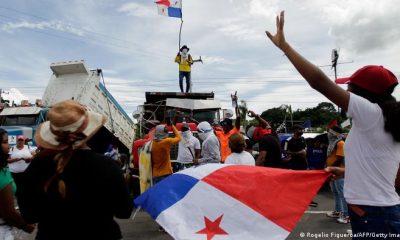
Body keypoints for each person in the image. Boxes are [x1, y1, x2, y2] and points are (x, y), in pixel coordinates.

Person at [266, 11, 400, 236]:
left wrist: (285, 47)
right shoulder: (386, 120)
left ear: (363, 94)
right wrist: (345, 171)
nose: (346, 90)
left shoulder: (370, 113)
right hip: (378, 211)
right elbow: (384, 171)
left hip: (375, 214)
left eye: (350, 86)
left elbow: (318, 81)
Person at [17, 100, 133, 240]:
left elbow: (29, 215)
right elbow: (124, 211)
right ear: (87, 132)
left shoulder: (37, 165)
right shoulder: (107, 165)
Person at [0, 128, 35, 239]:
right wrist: (25, 226)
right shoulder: (2, 174)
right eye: (5, 142)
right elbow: (8, 213)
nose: (8, 147)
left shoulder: (28, 147)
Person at [325, 125, 349, 224]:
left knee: (342, 194)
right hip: (332, 171)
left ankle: (346, 215)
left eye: (330, 132)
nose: (328, 134)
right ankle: (338, 211)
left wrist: (332, 169)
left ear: (335, 134)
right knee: (336, 192)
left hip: (339, 172)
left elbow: (339, 158)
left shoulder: (340, 143)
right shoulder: (332, 143)